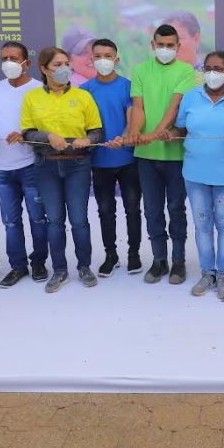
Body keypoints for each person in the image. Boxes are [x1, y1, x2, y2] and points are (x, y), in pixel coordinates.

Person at [171, 51, 224, 301]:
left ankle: (223, 276)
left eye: (217, 68)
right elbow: (181, 128)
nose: (212, 73)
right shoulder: (191, 97)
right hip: (195, 173)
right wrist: (170, 133)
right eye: (207, 68)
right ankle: (207, 273)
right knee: (202, 225)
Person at [21, 47, 104, 291]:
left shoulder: (83, 96)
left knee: (79, 220)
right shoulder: (32, 98)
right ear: (44, 69)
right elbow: (26, 132)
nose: (64, 69)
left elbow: (97, 130)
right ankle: (59, 270)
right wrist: (47, 136)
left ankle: (84, 267)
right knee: (54, 221)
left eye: (66, 63)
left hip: (77, 165)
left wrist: (87, 140)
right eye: (57, 64)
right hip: (46, 165)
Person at [124, 24, 196, 285]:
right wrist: (134, 131)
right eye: (160, 45)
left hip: (176, 155)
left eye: (170, 45)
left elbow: (175, 106)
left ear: (178, 47)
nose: (165, 49)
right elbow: (138, 106)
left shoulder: (187, 71)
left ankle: (178, 262)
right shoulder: (141, 70)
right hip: (145, 156)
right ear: (152, 45)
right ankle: (158, 261)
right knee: (152, 210)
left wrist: (154, 133)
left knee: (176, 209)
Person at [0, 41, 49, 288]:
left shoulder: (40, 89)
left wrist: (25, 134)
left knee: (37, 219)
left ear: (26, 63)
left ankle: (39, 263)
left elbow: (46, 126)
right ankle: (18, 266)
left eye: (13, 58)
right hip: (1, 166)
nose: (8, 63)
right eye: (4, 59)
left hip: (31, 164)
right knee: (10, 221)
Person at [83, 38, 143, 277]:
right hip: (99, 162)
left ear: (116, 59)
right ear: (92, 60)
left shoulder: (128, 86)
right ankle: (111, 255)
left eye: (108, 56)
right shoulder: (86, 90)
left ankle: (134, 255)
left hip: (128, 160)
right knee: (105, 211)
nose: (103, 60)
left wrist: (125, 136)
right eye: (98, 56)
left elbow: (133, 117)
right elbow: (84, 125)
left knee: (132, 209)